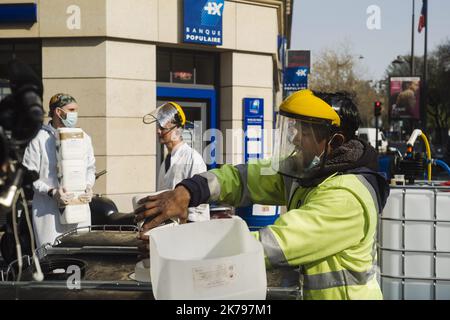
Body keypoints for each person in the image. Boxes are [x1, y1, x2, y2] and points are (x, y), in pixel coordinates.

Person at [135, 89, 390, 300]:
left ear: (333, 142)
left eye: (305, 131)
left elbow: (272, 245)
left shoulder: (346, 196)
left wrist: (182, 248)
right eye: (295, 129)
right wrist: (189, 191)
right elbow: (243, 178)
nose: (296, 139)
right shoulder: (309, 170)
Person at [23, 93, 95, 248]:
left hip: (79, 209)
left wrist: (88, 186)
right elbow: (29, 176)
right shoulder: (38, 139)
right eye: (71, 109)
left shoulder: (84, 138)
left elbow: (90, 168)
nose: (75, 114)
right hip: (48, 213)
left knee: (81, 258)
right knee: (53, 259)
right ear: (58, 112)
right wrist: (52, 192)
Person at [143, 101, 209, 222]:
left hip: (187, 232)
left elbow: (200, 209)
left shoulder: (193, 158)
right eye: (158, 127)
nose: (158, 131)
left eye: (162, 127)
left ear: (177, 130)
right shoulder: (165, 163)